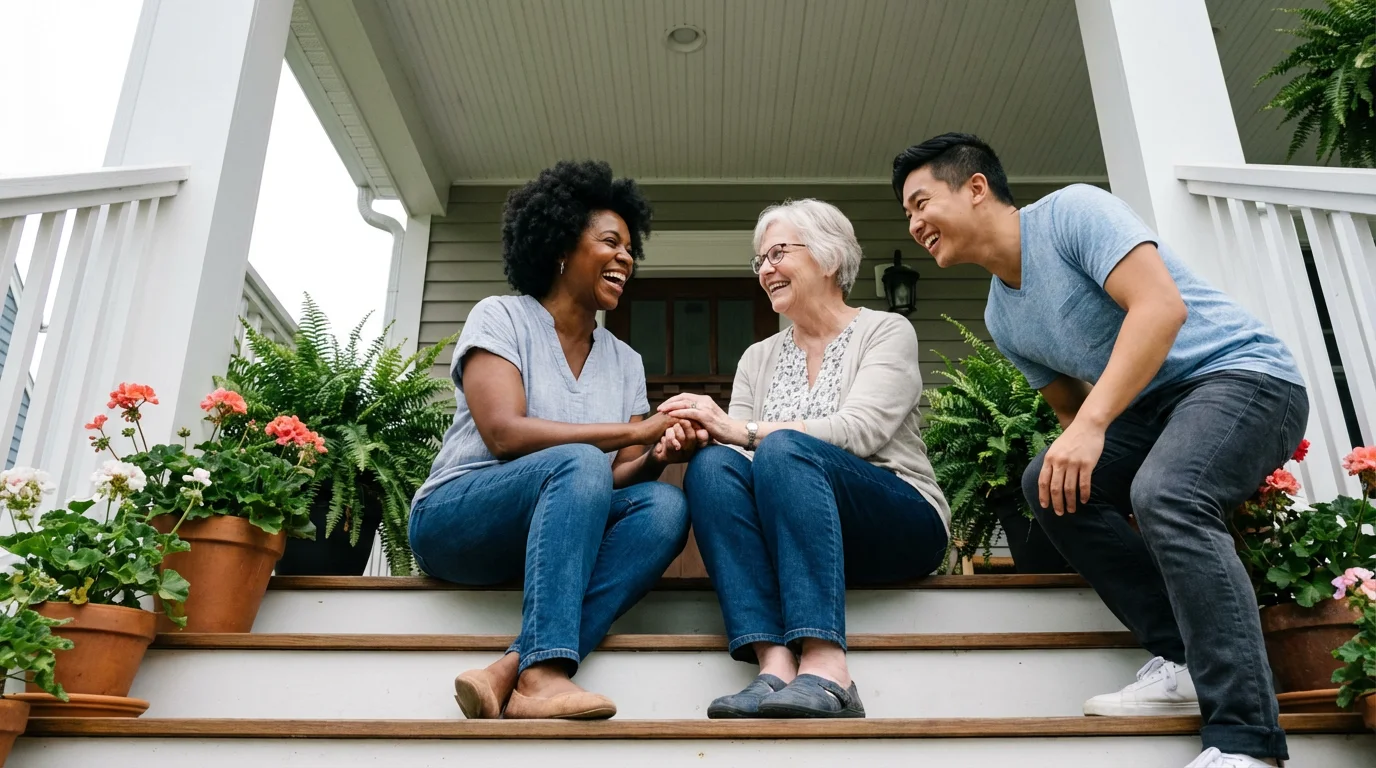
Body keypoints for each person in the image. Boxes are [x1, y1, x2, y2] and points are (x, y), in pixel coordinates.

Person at [891, 134, 1307, 768]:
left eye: (921, 203)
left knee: (1169, 491)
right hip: (1155, 409)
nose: (915, 224)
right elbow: (1071, 416)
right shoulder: (1003, 316)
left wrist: (1089, 426)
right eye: (907, 216)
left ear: (975, 188)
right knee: (1049, 487)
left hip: (1243, 378)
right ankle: (1185, 657)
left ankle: (1248, 742)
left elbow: (1160, 308)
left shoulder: (1073, 213)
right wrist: (1081, 435)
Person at [409, 160, 698, 721]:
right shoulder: (501, 317)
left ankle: (520, 669)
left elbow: (601, 484)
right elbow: (503, 433)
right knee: (578, 460)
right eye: (611, 242)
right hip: (460, 518)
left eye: (631, 249)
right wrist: (635, 431)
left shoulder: (625, 362)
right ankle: (541, 672)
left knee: (665, 504)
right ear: (562, 246)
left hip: (558, 535)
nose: (626, 258)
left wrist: (656, 457)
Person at [660, 198, 950, 719]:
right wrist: (699, 438)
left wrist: (743, 430)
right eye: (759, 261)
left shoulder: (885, 331)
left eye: (776, 254)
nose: (764, 269)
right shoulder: (758, 356)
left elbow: (860, 431)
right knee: (713, 467)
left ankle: (828, 670)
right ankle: (774, 665)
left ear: (829, 257)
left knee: (783, 447)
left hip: (894, 520)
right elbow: (737, 456)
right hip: (796, 540)